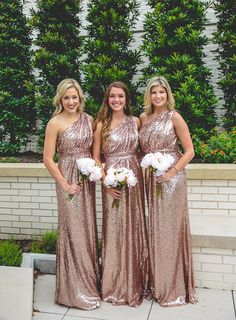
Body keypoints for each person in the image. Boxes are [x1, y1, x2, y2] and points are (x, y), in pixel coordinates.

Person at [139, 76, 198, 307]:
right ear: (149, 95)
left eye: (162, 93)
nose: (158, 97)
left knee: (170, 232)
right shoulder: (143, 118)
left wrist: (172, 172)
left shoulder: (175, 117)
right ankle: (157, 283)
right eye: (154, 92)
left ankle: (173, 287)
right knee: (155, 230)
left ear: (168, 94)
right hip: (151, 179)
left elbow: (190, 151)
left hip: (171, 180)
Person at [43, 78, 101, 310]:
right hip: (67, 177)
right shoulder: (54, 123)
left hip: (87, 180)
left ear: (80, 98)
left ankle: (88, 285)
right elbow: (48, 159)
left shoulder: (89, 120)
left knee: (87, 230)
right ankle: (72, 292)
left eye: (74, 97)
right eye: (66, 97)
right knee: (72, 230)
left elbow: (97, 152)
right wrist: (65, 185)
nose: (70, 101)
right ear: (60, 99)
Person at [93, 81, 149, 307]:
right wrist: (106, 182)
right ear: (107, 99)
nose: (116, 100)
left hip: (134, 179)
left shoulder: (135, 122)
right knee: (114, 230)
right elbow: (96, 157)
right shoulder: (101, 125)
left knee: (134, 228)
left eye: (121, 96)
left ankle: (134, 282)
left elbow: (143, 150)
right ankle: (114, 284)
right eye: (112, 96)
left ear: (126, 99)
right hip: (112, 181)